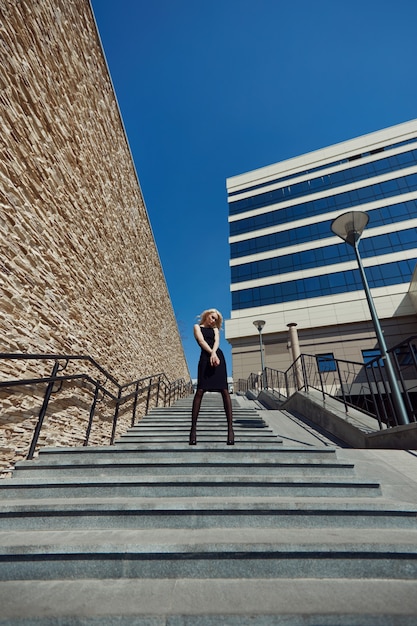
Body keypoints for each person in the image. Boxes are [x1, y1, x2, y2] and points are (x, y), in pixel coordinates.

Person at [189, 308, 234, 446]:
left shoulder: (215, 330)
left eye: (216, 319)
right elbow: (202, 342)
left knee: (225, 391)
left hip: (218, 359)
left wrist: (214, 354)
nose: (213, 320)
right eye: (212, 317)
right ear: (207, 315)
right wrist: (211, 354)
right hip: (205, 359)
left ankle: (231, 430)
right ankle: (193, 429)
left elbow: (216, 342)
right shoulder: (197, 327)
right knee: (200, 391)